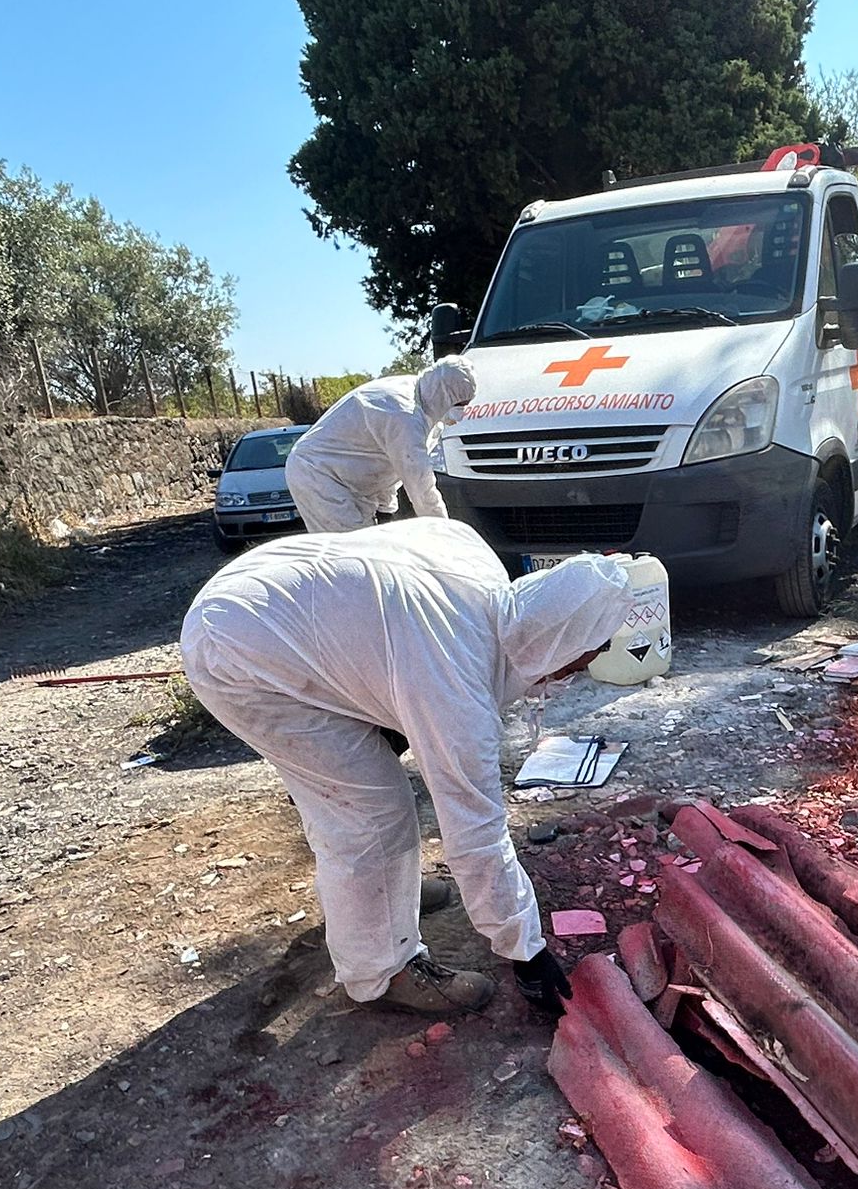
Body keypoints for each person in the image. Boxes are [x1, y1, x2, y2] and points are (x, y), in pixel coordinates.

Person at [179, 519, 633, 1014]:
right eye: (579, 659)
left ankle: (386, 899)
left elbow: (394, 618)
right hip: (238, 654)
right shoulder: (455, 688)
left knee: (364, 795)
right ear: (555, 645)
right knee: (369, 814)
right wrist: (525, 950)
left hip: (263, 595)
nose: (581, 669)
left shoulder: (477, 564)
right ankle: (380, 972)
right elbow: (476, 835)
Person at [284, 357, 476, 532]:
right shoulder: (403, 414)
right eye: (459, 404)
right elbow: (421, 488)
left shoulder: (423, 400)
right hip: (318, 474)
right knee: (353, 555)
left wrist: (386, 513)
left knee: (369, 550)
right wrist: (445, 535)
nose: (461, 412)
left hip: (350, 483)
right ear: (443, 394)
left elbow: (388, 467)